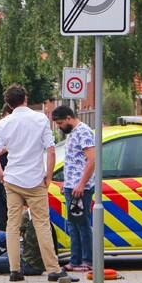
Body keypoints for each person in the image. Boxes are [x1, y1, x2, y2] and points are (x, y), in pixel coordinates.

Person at [0, 84, 65, 282]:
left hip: (13, 179)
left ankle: (15, 270)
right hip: (35, 180)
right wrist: (48, 177)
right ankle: (53, 269)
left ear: (8, 103)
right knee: (41, 224)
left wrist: (2, 176)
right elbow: (50, 150)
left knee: (12, 225)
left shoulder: (3, 124)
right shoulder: (40, 119)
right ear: (25, 98)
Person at [51, 105, 95, 272]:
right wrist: (67, 182)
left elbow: (91, 160)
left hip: (80, 188)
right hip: (73, 186)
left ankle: (86, 260)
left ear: (69, 118)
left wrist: (81, 184)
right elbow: (73, 162)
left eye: (61, 123)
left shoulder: (83, 132)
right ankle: (75, 260)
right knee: (73, 224)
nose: (60, 127)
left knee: (82, 224)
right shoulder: (73, 133)